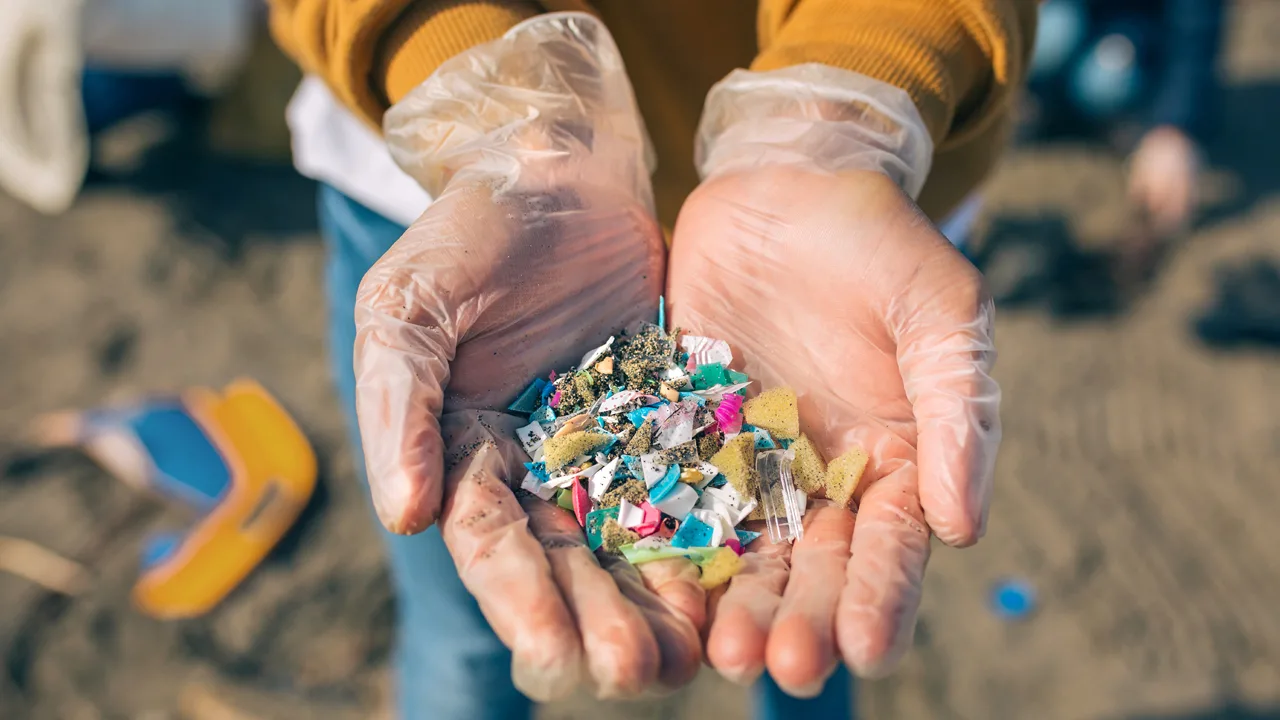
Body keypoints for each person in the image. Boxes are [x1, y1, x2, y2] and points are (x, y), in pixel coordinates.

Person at [269, 2, 1033, 717]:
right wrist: (500, 121)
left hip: (851, 220)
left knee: (805, 635)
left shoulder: (756, 428)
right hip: (466, 203)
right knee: (465, 628)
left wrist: (839, 122)